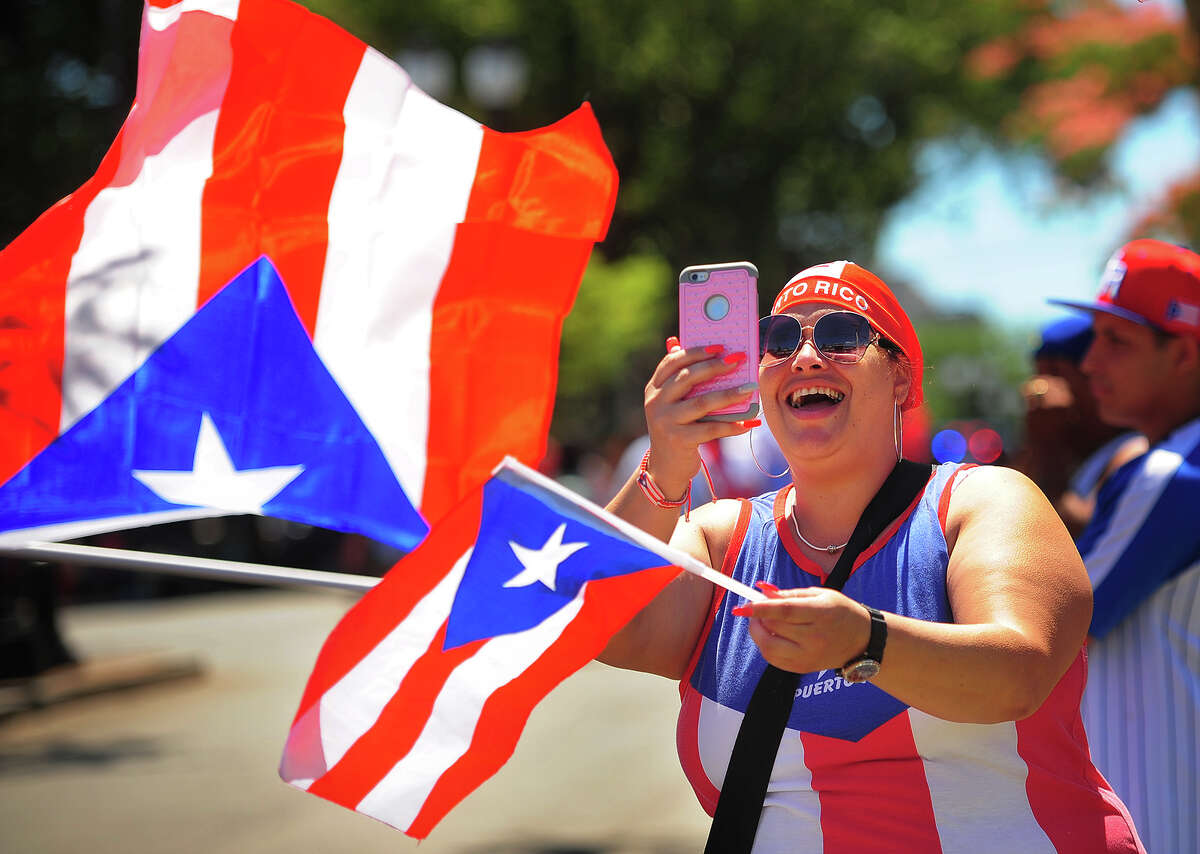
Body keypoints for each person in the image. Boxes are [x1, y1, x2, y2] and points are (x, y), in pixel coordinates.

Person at [600, 260, 1142, 852]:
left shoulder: (980, 501)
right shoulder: (719, 539)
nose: (805, 357)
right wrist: (668, 460)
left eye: (841, 336)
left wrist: (866, 641)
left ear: (902, 380)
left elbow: (1020, 672)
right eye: (779, 340)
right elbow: (607, 630)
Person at [1047, 238, 1200, 854]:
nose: (1089, 363)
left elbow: (1060, 622)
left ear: (1185, 353)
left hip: (1163, 806)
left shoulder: (1175, 472)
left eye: (1118, 341)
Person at [1015, 314, 1146, 536]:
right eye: (1038, 374)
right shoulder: (1071, 449)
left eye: (1056, 373)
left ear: (1094, 376)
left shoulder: (1134, 449)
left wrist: (1048, 444)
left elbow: (1085, 532)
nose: (1040, 389)